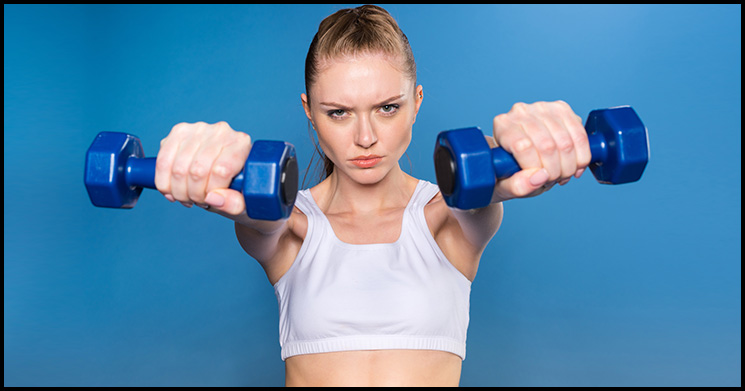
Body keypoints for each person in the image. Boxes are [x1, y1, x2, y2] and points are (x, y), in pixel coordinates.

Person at [154, 5, 591, 387]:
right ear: (309, 110)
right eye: (339, 112)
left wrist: (526, 144)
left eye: (387, 108)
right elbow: (260, 216)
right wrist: (212, 157)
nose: (365, 137)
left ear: (416, 101)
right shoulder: (289, 226)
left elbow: (484, 189)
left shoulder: (449, 216)